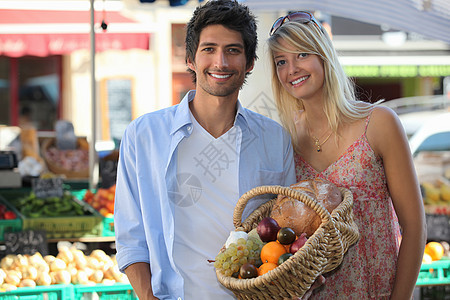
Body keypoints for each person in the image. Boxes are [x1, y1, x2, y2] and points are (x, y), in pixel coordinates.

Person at [114, 1, 296, 299]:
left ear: (249, 62)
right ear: (190, 58)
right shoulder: (144, 136)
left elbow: (287, 229)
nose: (220, 62)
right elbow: (130, 234)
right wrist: (147, 296)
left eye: (233, 50)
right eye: (209, 49)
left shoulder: (274, 139)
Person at [267, 11, 426, 299]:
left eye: (302, 54)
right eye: (281, 61)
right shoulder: (285, 140)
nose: (291, 69)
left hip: (378, 291)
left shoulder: (379, 123)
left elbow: (415, 227)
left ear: (323, 56)